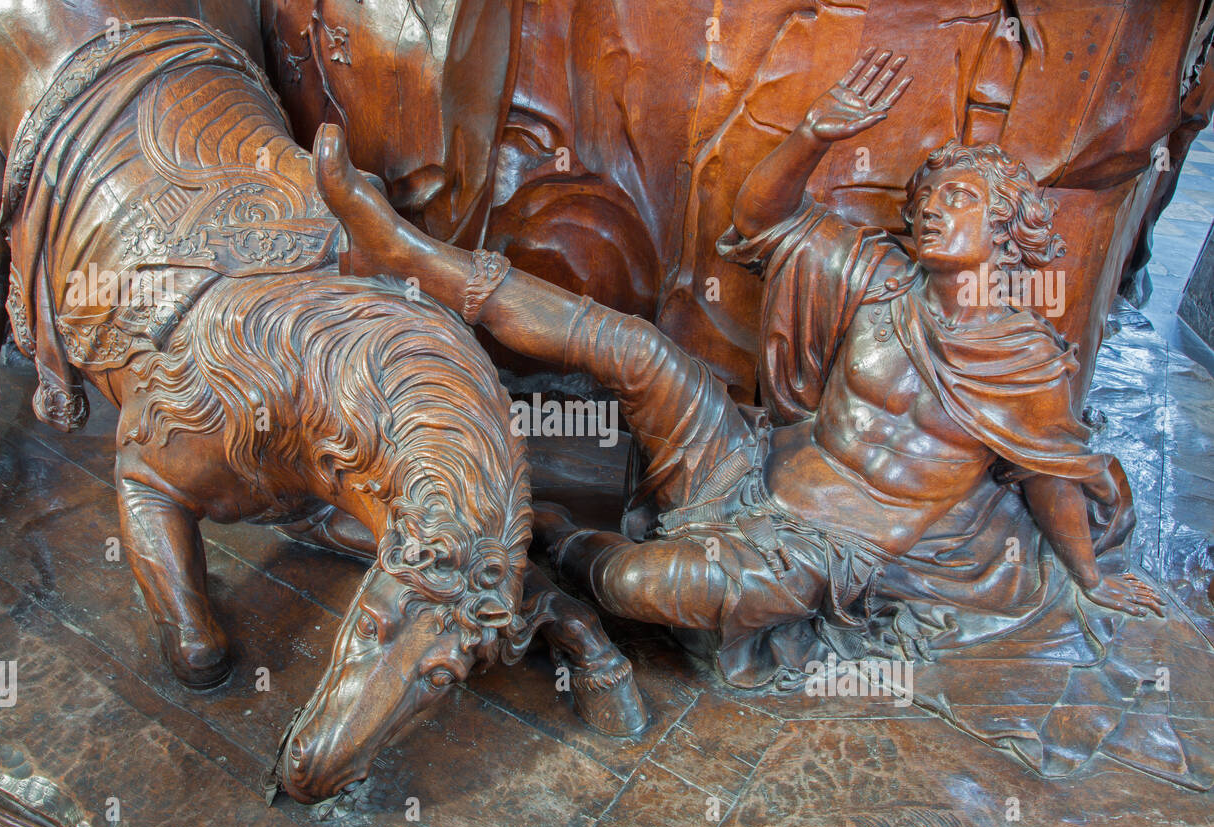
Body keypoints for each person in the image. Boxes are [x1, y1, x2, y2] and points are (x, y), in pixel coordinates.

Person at [314, 47, 1162, 688]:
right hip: (750, 461)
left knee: (639, 583)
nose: (935, 209)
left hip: (819, 553)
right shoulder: (876, 278)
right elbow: (764, 222)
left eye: (963, 199)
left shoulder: (1025, 360)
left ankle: (543, 544)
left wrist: (1088, 581)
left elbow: (1051, 471)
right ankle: (403, 248)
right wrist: (811, 135)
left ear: (1011, 229)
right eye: (929, 197)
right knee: (638, 350)